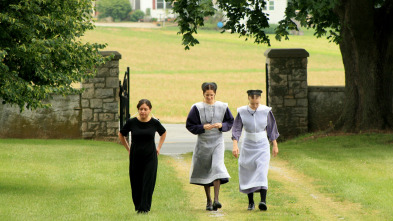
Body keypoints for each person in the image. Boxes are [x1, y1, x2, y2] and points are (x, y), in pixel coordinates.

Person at [186, 82, 234, 211]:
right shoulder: (197, 108)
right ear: (203, 94)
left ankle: (216, 200)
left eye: (211, 95)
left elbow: (230, 121)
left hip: (218, 141)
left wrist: (221, 126)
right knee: (206, 169)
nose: (209, 97)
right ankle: (209, 200)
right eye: (207, 95)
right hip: (203, 142)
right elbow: (189, 125)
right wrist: (202, 127)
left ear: (215, 94)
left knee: (217, 167)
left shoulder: (223, 106)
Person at [231, 90, 279, 211]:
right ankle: (251, 202)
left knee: (262, 170)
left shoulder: (266, 111)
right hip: (248, 144)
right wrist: (235, 145)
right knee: (248, 170)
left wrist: (275, 144)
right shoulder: (242, 111)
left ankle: (263, 201)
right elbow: (236, 129)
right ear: (249, 99)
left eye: (257, 103)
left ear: (260, 100)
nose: (255, 106)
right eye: (253, 103)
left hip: (262, 144)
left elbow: (271, 128)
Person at [118, 99, 167, 214]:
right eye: (141, 109)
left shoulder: (155, 123)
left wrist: (158, 148)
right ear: (138, 110)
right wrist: (128, 148)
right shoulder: (132, 122)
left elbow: (163, 133)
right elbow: (121, 134)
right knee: (136, 181)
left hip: (150, 156)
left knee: (148, 181)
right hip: (135, 156)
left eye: (145, 109)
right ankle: (138, 206)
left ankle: (145, 208)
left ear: (150, 110)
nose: (143, 112)